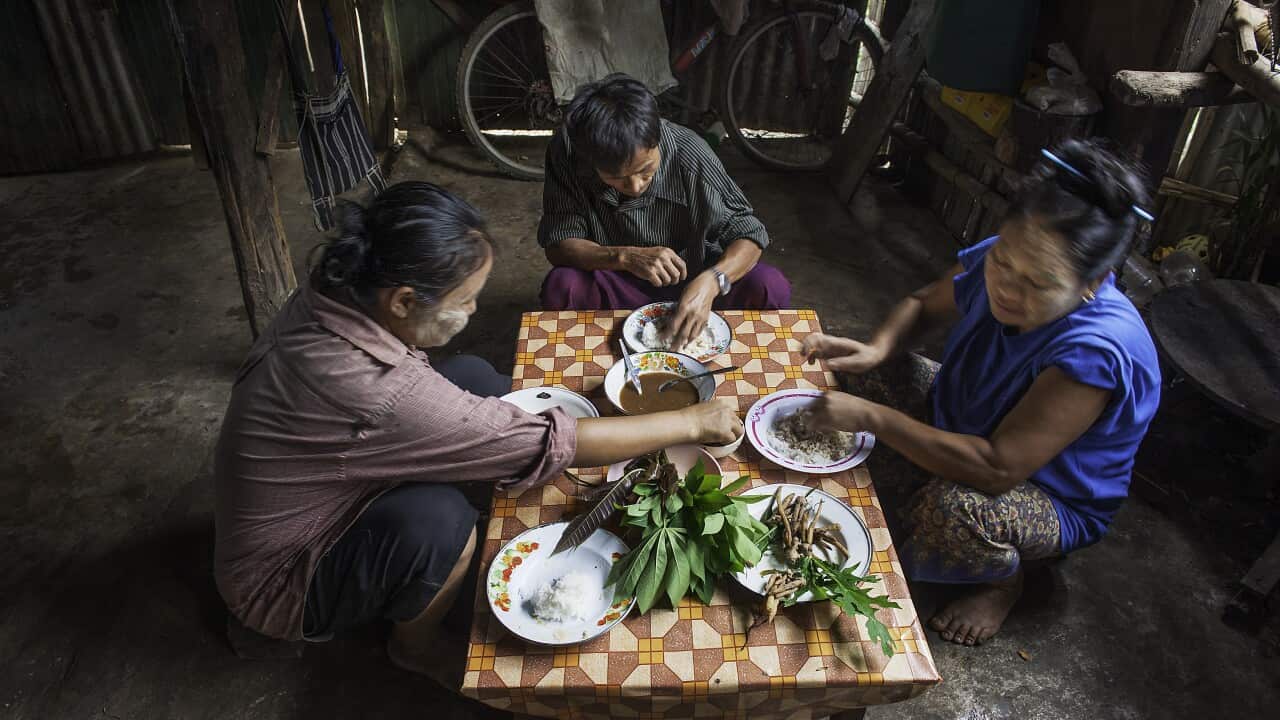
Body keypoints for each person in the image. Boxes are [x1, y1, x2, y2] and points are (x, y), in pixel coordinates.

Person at [214, 182, 741, 681]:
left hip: (329, 486)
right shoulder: (377, 389)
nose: (473, 310)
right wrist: (691, 419)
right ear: (401, 301)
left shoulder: (336, 288)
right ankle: (412, 648)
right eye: (465, 300)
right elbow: (548, 443)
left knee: (471, 376)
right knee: (442, 524)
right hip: (284, 576)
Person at [800, 139, 1161, 646]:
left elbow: (997, 467)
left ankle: (1003, 581)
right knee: (855, 373)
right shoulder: (1009, 258)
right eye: (1003, 263)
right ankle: (915, 475)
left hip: (1045, 489)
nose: (1009, 290)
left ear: (1093, 283)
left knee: (952, 509)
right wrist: (877, 350)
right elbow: (924, 303)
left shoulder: (1096, 351)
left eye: (1039, 284)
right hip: (965, 417)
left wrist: (874, 418)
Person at [537, 73, 791, 349]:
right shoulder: (568, 152)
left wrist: (712, 282)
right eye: (615, 177)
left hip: (692, 278)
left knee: (768, 285)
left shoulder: (689, 152)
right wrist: (624, 256)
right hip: (618, 279)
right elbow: (558, 247)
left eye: (645, 170)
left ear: (656, 139)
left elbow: (749, 234)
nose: (634, 186)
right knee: (563, 285)